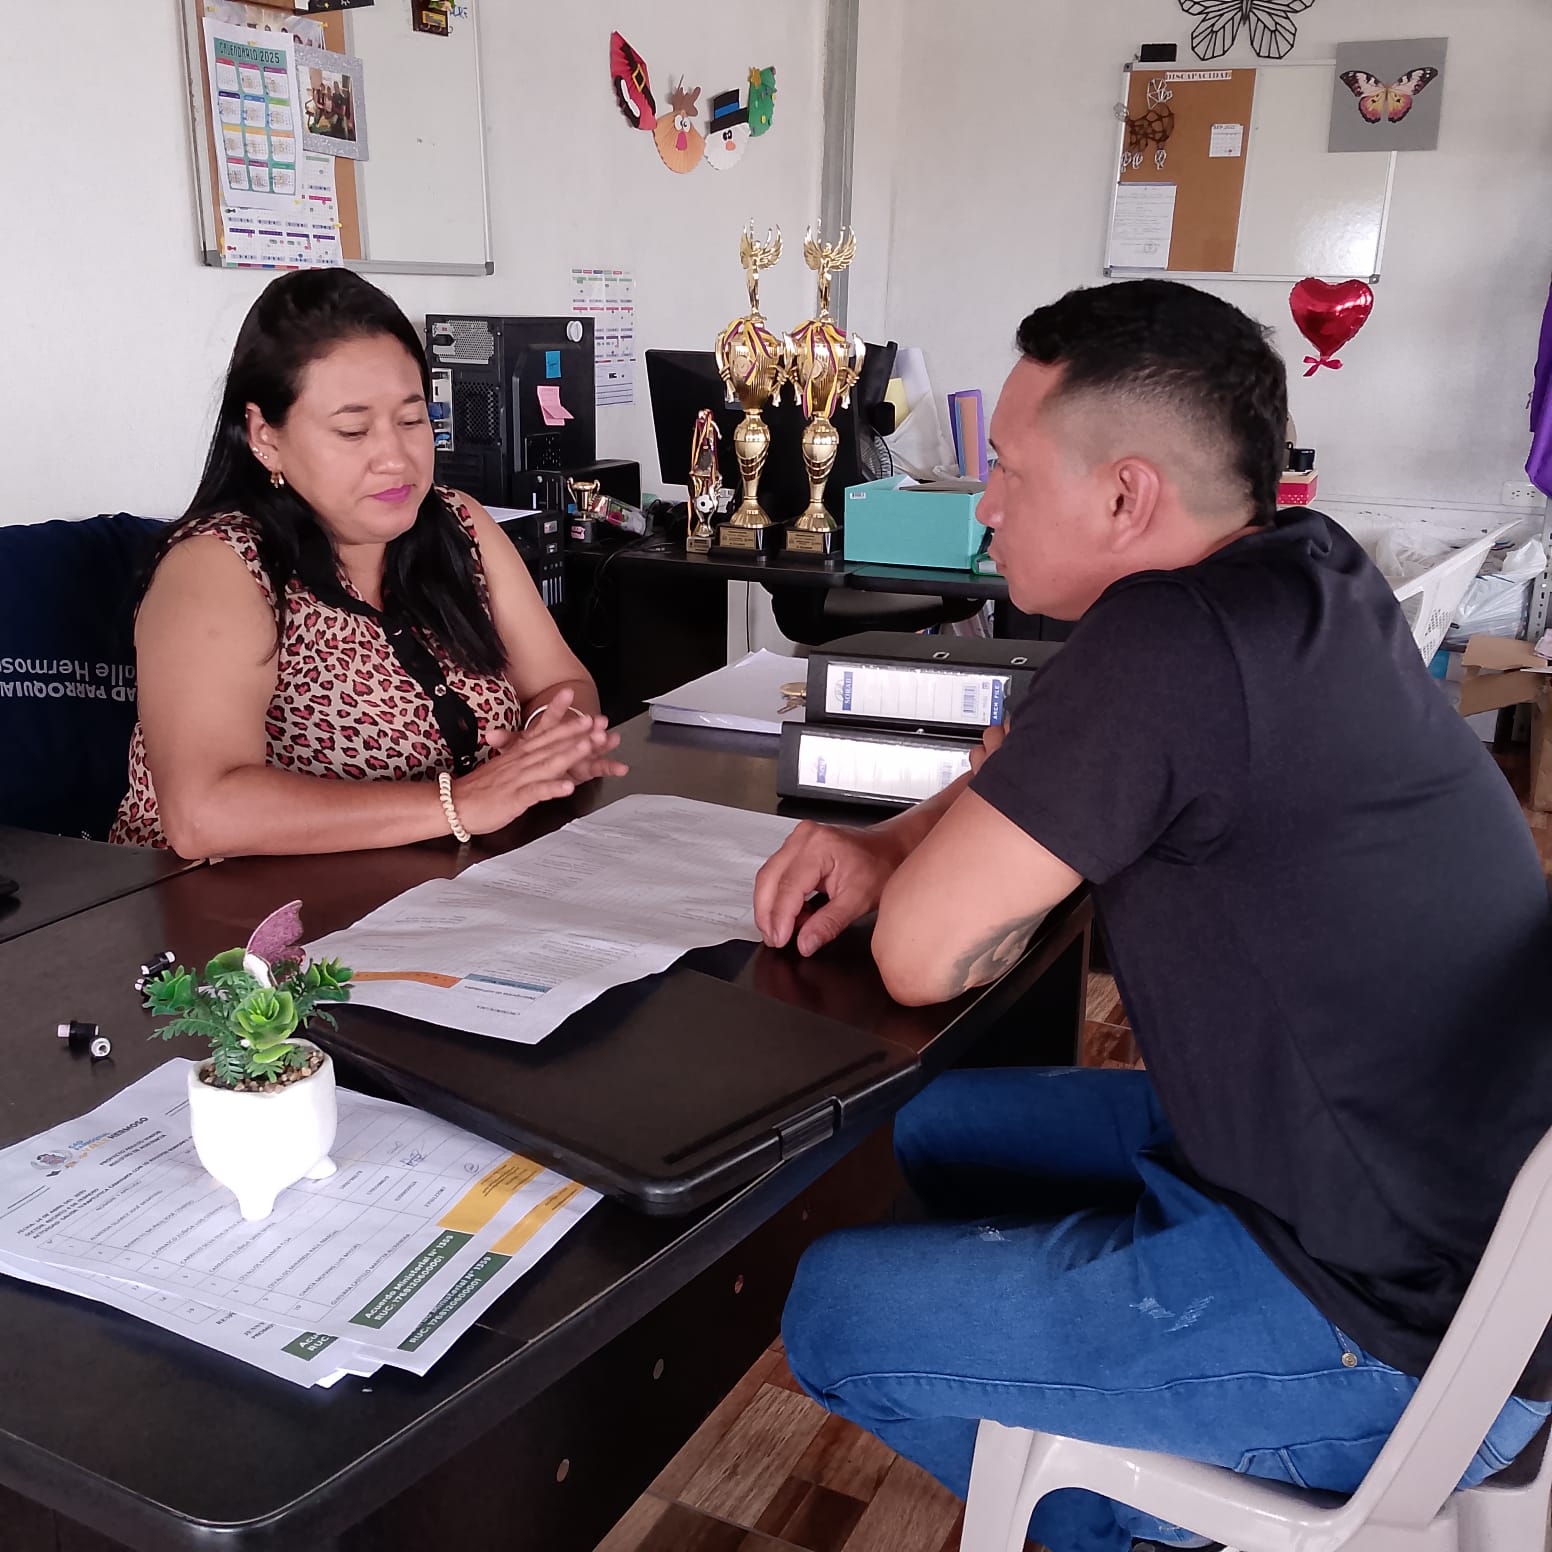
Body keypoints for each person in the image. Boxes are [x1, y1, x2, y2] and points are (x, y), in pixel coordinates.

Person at [754, 280, 1552, 1552]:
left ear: (1125, 497)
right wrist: (892, 840)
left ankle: (1113, 1514)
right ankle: (1085, 1396)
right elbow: (1039, 768)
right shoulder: (1300, 569)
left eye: (1008, 470)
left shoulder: (1168, 642)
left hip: (1392, 1329)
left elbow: (918, 957)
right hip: (1432, 1209)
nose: (984, 505)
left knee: (832, 1310)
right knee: (937, 1126)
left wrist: (925, 881)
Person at [111, 269, 624, 858]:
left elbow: (562, 684)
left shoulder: (459, 523)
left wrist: (549, 744)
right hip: (242, 906)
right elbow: (203, 814)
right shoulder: (218, 565)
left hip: (447, 883)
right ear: (265, 437)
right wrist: (460, 803)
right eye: (353, 431)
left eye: (412, 420)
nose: (395, 457)